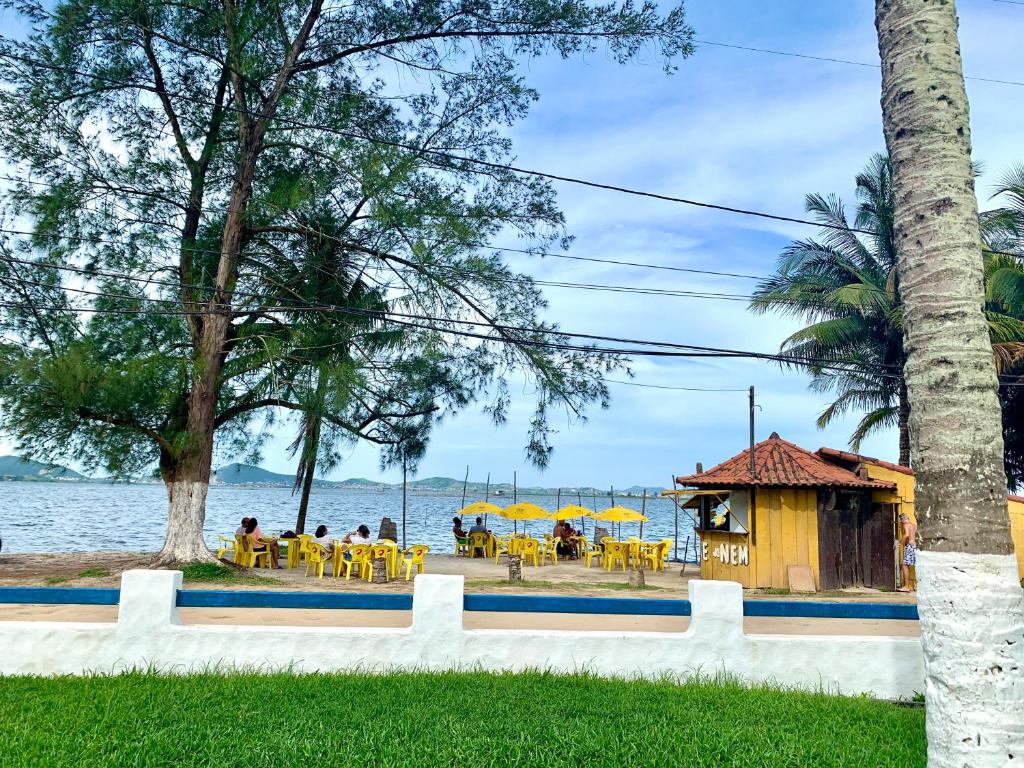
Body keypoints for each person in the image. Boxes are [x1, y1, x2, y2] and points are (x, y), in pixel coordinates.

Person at [898, 513, 917, 592]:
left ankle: (906, 586)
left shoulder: (906, 525)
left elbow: (906, 534)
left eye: (901, 519)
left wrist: (900, 543)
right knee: (914, 565)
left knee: (904, 565)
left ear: (903, 519)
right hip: (915, 546)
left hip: (909, 546)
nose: (901, 522)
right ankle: (913, 585)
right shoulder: (913, 525)